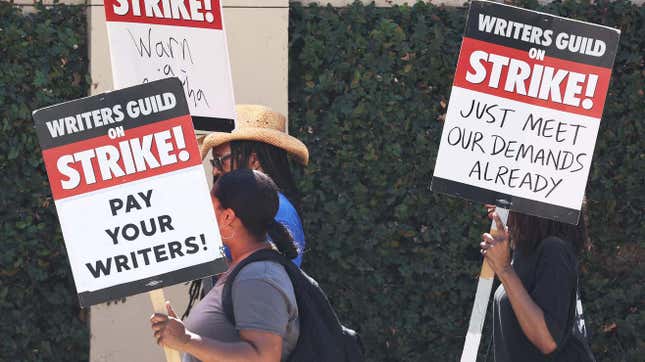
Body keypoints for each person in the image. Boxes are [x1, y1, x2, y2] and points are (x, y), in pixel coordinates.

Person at [151, 169, 300, 362]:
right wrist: (180, 334)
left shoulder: (257, 277)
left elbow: (263, 358)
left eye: (209, 205)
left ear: (228, 217)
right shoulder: (245, 269)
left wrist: (186, 340)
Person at [200, 104, 308, 266]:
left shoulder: (279, 211)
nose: (215, 170)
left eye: (221, 161)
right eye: (213, 162)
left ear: (253, 160)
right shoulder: (254, 206)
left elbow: (265, 281)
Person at [480, 205, 590, 361]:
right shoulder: (524, 252)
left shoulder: (554, 251)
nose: (491, 204)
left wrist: (505, 270)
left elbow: (548, 341)